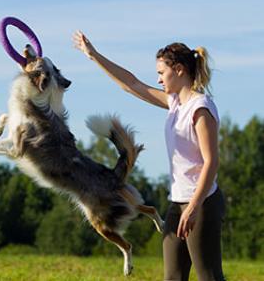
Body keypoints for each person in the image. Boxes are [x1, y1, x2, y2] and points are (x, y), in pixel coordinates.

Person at [73, 30, 225, 281]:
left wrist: (194, 207)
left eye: (161, 73)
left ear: (178, 69)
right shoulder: (176, 103)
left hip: (202, 203)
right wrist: (94, 56)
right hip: (178, 202)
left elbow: (211, 162)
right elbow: (131, 84)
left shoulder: (200, 109)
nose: (158, 79)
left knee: (209, 277)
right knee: (173, 277)